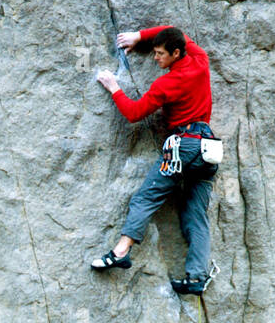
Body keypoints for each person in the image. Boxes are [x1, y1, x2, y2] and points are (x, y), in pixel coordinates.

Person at [93, 26, 220, 295]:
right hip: (208, 149)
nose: (155, 58)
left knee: (146, 197)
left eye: (160, 54)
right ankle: (196, 278)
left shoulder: (167, 83)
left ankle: (120, 251)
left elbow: (134, 112)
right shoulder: (199, 59)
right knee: (196, 215)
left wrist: (114, 87)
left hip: (183, 147)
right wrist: (140, 37)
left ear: (175, 53)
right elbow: (177, 32)